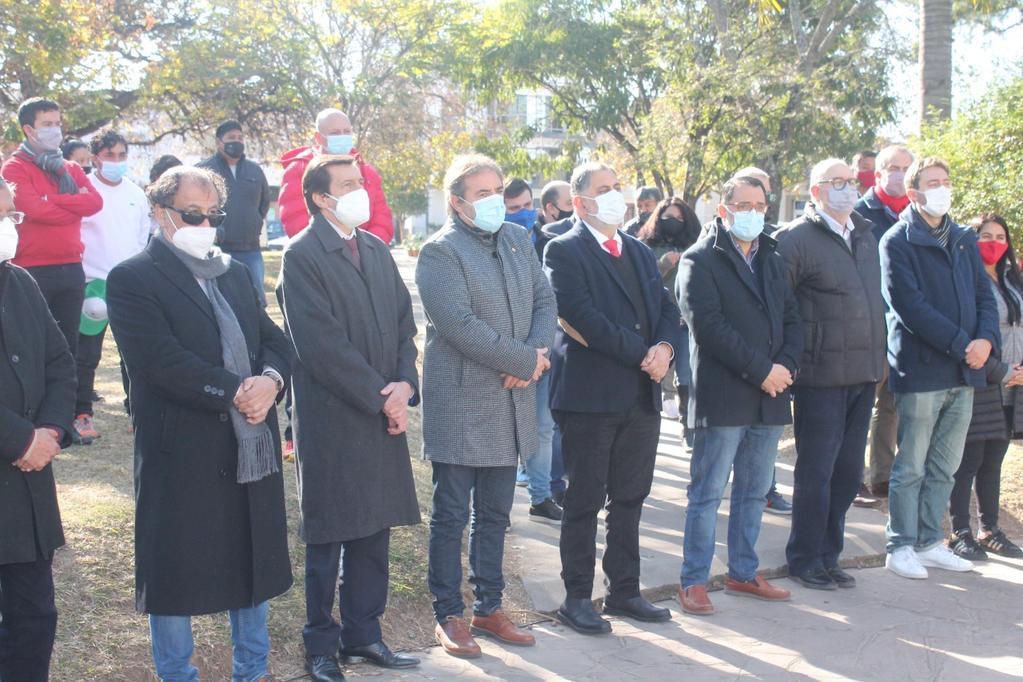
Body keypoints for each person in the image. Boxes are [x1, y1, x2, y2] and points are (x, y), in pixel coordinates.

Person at [106, 166, 293, 680]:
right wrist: (236, 388)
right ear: (161, 213)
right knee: (175, 572)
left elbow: (273, 340)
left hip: (249, 443)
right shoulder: (133, 277)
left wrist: (271, 382)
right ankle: (178, 675)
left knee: (252, 565)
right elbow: (159, 361)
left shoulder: (233, 272)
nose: (205, 223)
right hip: (181, 449)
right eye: (193, 214)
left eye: (214, 215)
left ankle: (251, 672)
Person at [278, 155, 422, 681]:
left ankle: (365, 635)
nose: (360, 190)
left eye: (360, 182)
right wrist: (380, 396)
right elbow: (320, 346)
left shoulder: (377, 249)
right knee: (329, 534)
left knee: (374, 529)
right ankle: (320, 645)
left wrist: (405, 384)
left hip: (383, 407)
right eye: (348, 185)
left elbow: (405, 325)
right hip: (333, 416)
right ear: (320, 197)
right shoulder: (302, 256)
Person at [416, 154, 556, 658]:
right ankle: (449, 614)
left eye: (498, 189)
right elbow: (458, 325)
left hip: (512, 398)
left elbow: (545, 300)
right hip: (461, 401)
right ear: (457, 203)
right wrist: (523, 358)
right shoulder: (440, 252)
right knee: (452, 514)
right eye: (482, 193)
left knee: (495, 515)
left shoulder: (519, 240)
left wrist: (534, 358)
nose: (495, 200)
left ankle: (489, 607)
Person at [544, 162, 684, 634]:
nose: (615, 196)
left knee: (630, 497)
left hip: (640, 394)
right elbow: (580, 317)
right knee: (584, 500)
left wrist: (665, 349)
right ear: (581, 202)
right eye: (604, 189)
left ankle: (624, 590)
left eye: (617, 187)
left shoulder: (641, 252)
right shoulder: (563, 250)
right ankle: (577, 597)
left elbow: (667, 308)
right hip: (590, 396)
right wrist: (645, 353)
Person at [675, 175, 801, 616]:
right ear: (724, 210)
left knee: (753, 492)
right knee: (707, 492)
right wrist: (762, 370)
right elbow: (709, 329)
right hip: (725, 394)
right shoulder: (699, 260)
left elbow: (791, 317)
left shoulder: (772, 256)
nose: (752, 212)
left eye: (760, 205)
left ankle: (744, 572)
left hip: (769, 395)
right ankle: (693, 580)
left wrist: (786, 368)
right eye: (743, 205)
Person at [879, 157, 999, 580]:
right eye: (934, 182)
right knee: (911, 464)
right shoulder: (897, 240)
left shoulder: (964, 239)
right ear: (913, 193)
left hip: (964, 372)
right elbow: (910, 307)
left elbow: (984, 297)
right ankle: (900, 545)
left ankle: (931, 541)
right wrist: (963, 344)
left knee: (945, 466)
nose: (943, 188)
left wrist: (985, 342)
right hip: (923, 370)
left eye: (947, 181)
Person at [773, 159, 886, 590]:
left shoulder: (863, 233)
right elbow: (780, 306)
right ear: (816, 190)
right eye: (836, 182)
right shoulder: (796, 240)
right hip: (820, 376)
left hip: (862, 373)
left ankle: (829, 554)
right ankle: (804, 557)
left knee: (846, 473)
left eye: (851, 182)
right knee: (816, 473)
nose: (846, 189)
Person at [0, 178, 76, 682]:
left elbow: (60, 362)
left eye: (12, 216)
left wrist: (48, 430)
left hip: (25, 495)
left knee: (35, 617)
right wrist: (19, 438)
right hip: (16, 456)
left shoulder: (20, 282)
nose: (10, 227)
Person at [1, 97, 102, 365]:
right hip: (31, 269)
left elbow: (95, 202)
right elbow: (33, 209)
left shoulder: (70, 168)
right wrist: (72, 205)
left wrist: (52, 199)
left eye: (57, 123)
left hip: (71, 268)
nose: (55, 129)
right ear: (28, 129)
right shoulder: (15, 167)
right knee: (32, 344)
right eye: (47, 124)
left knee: (67, 346)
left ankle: (70, 405)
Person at [946, 214, 1023, 561]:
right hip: (982, 380)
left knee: (995, 459)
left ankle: (990, 529)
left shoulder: (1011, 278)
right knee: (970, 460)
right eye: (985, 235)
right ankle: (959, 531)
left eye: (1000, 236)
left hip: (1015, 384)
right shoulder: (965, 278)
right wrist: (1000, 370)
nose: (994, 242)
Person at [73, 129, 151, 444]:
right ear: (95, 158)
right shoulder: (84, 190)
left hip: (128, 283)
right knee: (86, 354)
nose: (116, 162)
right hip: (92, 285)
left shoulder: (136, 193)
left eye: (121, 155)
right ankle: (81, 413)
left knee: (133, 351)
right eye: (109, 156)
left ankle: (138, 410)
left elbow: (143, 236)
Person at [855, 144, 915, 505]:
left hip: (904, 330)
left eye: (907, 168)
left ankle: (881, 476)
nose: (900, 174)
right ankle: (853, 477)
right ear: (877, 174)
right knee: (860, 405)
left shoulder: (917, 214)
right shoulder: (861, 213)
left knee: (889, 405)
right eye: (894, 167)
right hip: (867, 327)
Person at [502, 177, 562, 523]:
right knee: (502, 434)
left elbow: (548, 301)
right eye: (514, 209)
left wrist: (537, 352)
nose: (523, 214)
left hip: (542, 351)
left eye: (527, 206)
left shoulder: (548, 243)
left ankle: (541, 495)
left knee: (542, 427)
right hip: (503, 355)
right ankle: (497, 508)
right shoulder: (491, 246)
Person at [279, 108, 394, 244]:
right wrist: (334, 250)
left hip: (365, 256)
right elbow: (295, 219)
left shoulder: (367, 172)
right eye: (335, 133)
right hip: (320, 256)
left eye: (347, 132)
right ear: (319, 137)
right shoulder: (299, 170)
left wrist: (367, 250)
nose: (342, 136)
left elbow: (381, 219)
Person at [637, 197, 701, 423]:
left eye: (679, 218)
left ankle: (687, 423)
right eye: (668, 217)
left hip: (685, 320)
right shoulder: (644, 246)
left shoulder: (696, 245)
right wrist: (664, 263)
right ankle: (653, 411)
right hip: (655, 320)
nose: (674, 222)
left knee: (685, 373)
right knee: (653, 368)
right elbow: (641, 282)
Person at [198, 120, 271, 306]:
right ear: (218, 142)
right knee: (222, 300)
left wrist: (254, 223)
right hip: (218, 249)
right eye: (231, 138)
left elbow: (264, 204)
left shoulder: (255, 170)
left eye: (240, 137)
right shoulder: (204, 171)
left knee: (257, 300)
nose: (236, 142)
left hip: (251, 249)